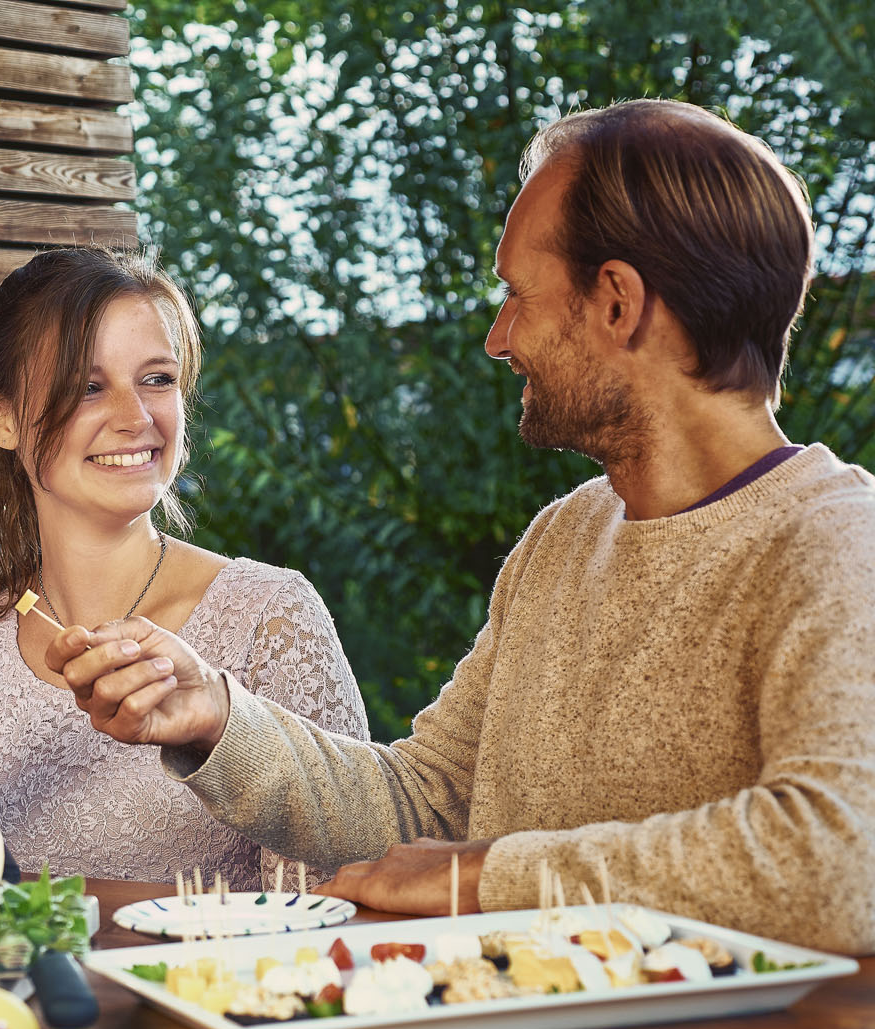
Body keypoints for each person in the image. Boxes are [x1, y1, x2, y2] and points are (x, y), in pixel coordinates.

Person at [48, 101, 875, 955]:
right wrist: (217, 717)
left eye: (518, 294)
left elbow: (843, 861)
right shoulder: (564, 539)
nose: (497, 336)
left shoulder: (837, 546)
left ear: (618, 303)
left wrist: (485, 879)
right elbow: (427, 799)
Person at [0, 247, 368, 890]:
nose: (136, 418)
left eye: (157, 379)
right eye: (89, 387)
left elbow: (332, 908)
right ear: (1, 418)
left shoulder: (272, 619)